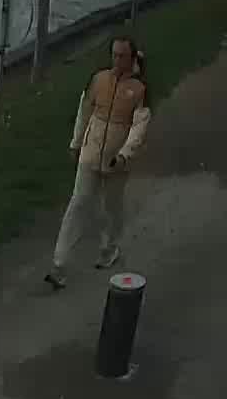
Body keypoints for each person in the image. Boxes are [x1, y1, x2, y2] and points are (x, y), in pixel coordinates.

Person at [44, 35, 153, 289]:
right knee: (78, 204)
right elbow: (84, 111)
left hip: (117, 161)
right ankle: (59, 265)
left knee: (111, 207)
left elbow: (140, 125)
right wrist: (75, 142)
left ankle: (109, 249)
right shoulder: (98, 80)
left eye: (122, 56)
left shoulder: (139, 90)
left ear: (131, 58)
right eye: (114, 54)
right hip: (90, 154)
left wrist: (125, 153)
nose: (116, 60)